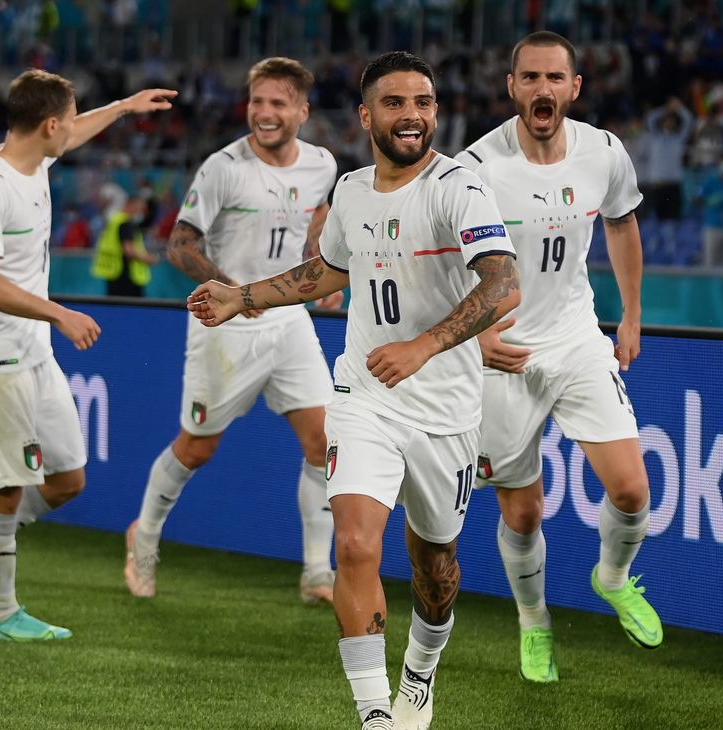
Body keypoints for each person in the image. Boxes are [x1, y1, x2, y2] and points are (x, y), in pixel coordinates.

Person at [188, 51, 520, 730]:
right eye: (395, 103)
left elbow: (503, 283)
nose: (412, 115)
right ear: (367, 116)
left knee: (437, 566)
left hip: (449, 409)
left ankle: (419, 681)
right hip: (365, 395)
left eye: (423, 102)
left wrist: (425, 346)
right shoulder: (351, 190)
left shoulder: (461, 187)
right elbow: (327, 272)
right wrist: (242, 296)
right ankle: (372, 714)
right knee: (357, 545)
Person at [0, 69, 177, 641]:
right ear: (48, 125)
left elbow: (77, 129)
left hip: (32, 352)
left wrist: (125, 105)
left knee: (66, 479)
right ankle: (2, 613)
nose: (73, 130)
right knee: (7, 487)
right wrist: (58, 312)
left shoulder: (36, 158)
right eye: (69, 118)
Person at [455, 31, 662, 683]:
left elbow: (622, 224)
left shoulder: (604, 152)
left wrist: (629, 314)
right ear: (512, 87)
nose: (542, 88)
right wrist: (475, 334)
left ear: (575, 87)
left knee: (631, 489)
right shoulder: (476, 167)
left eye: (555, 78)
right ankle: (534, 622)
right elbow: (437, 260)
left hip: (576, 338)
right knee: (523, 511)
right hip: (504, 349)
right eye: (530, 78)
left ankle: (613, 577)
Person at [122, 57, 343, 605]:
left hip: (289, 321)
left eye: (277, 103)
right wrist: (231, 293)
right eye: (257, 102)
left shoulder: (322, 164)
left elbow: (313, 223)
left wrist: (320, 272)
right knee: (197, 449)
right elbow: (179, 245)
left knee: (324, 443)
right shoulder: (223, 167)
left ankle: (317, 571)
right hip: (223, 324)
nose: (264, 114)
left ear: (301, 110)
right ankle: (143, 536)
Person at [91, 195, 159, 297]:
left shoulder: (115, 221)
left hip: (114, 275)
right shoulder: (126, 223)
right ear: (131, 205)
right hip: (127, 279)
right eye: (140, 209)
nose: (141, 213)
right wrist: (149, 259)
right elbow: (129, 250)